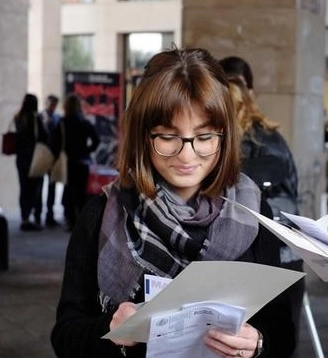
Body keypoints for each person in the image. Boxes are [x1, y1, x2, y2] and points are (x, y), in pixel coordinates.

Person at [51, 47, 296, 358]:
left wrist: (258, 343)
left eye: (204, 136)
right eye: (168, 136)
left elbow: (283, 333)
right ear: (143, 136)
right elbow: (65, 335)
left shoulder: (253, 212)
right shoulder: (101, 213)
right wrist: (109, 330)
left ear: (225, 137)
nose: (186, 155)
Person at [227, 77, 306, 357]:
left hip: (280, 247)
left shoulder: (261, 139)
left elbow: (257, 187)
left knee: (277, 333)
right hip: (280, 246)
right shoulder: (260, 136)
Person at [58, 93, 101, 232]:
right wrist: (87, 150)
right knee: (83, 193)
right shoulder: (84, 122)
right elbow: (96, 140)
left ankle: (71, 221)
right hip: (83, 162)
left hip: (68, 162)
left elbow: (55, 143)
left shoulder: (62, 123)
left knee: (70, 192)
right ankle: (82, 222)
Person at [14, 93, 46, 231]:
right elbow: (44, 136)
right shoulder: (35, 118)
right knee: (35, 189)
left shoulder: (18, 117)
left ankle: (24, 217)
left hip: (21, 158)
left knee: (24, 188)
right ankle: (35, 217)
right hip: (34, 158)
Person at [40, 94, 62, 227]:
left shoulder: (58, 118)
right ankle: (37, 214)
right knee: (39, 186)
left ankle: (50, 214)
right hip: (42, 155)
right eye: (51, 103)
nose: (52, 106)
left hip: (53, 156)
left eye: (54, 104)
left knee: (51, 186)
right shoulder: (39, 117)